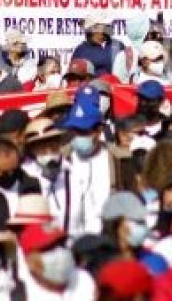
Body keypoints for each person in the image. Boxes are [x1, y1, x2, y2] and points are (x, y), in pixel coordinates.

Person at [62, 86, 113, 234]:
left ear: (99, 130)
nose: (79, 136)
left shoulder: (115, 160)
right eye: (75, 131)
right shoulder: (62, 159)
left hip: (105, 238)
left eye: (84, 131)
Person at [18, 223, 96, 299]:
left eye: (62, 244)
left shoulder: (83, 280)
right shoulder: (20, 293)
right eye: (49, 248)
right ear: (29, 261)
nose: (60, 252)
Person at [100, 191, 168, 275]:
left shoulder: (155, 263)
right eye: (136, 221)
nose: (142, 226)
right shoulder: (99, 265)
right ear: (116, 225)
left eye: (142, 221)